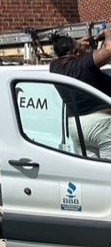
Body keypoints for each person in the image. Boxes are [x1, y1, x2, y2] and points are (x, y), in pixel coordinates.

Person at [49, 30, 111, 158]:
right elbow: (109, 50)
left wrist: (79, 45)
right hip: (101, 124)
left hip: (76, 126)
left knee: (92, 171)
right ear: (76, 53)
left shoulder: (54, 67)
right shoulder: (84, 64)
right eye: (78, 47)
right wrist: (108, 33)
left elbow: (59, 55)